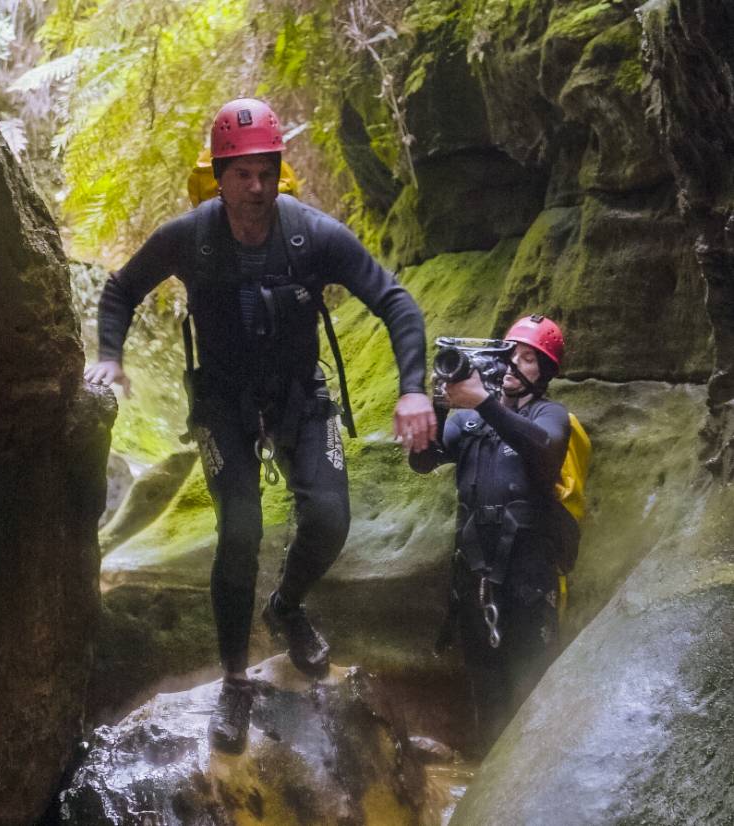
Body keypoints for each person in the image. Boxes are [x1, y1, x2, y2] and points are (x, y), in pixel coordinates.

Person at [85, 98, 434, 754]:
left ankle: (287, 606)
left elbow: (395, 301)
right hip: (223, 404)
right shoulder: (187, 237)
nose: (254, 186)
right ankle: (235, 681)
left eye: (264, 171)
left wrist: (414, 390)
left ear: (279, 172)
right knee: (239, 529)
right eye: (240, 173)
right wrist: (110, 356)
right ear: (218, 176)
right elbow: (120, 289)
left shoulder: (312, 235)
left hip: (301, 397)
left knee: (329, 519)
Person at [409, 314, 569, 754]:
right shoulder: (468, 423)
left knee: (533, 683)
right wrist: (440, 405)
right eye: (511, 355)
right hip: (475, 577)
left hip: (528, 580)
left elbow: (544, 447)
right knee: (486, 687)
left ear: (547, 372)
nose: (516, 366)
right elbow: (422, 462)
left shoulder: (550, 415)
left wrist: (482, 402)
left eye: (529, 359)